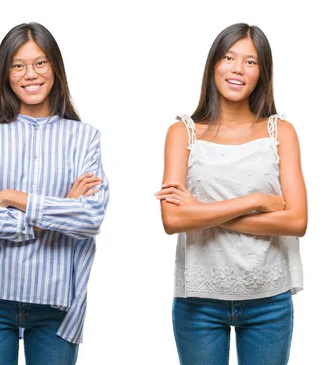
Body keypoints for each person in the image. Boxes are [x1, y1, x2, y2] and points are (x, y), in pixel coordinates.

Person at [0, 22, 109, 365]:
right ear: (6, 73)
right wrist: (60, 210)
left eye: (40, 63)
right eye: (18, 65)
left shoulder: (85, 138)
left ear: (55, 67)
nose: (31, 74)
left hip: (56, 302)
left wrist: (10, 197)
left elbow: (90, 218)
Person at [156, 23, 307, 365]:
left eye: (250, 62)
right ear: (213, 65)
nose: (238, 69)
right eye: (229, 57)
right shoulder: (182, 133)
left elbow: (296, 221)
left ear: (262, 73)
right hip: (199, 303)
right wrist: (256, 202)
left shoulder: (281, 132)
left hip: (269, 301)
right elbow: (173, 219)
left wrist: (203, 212)